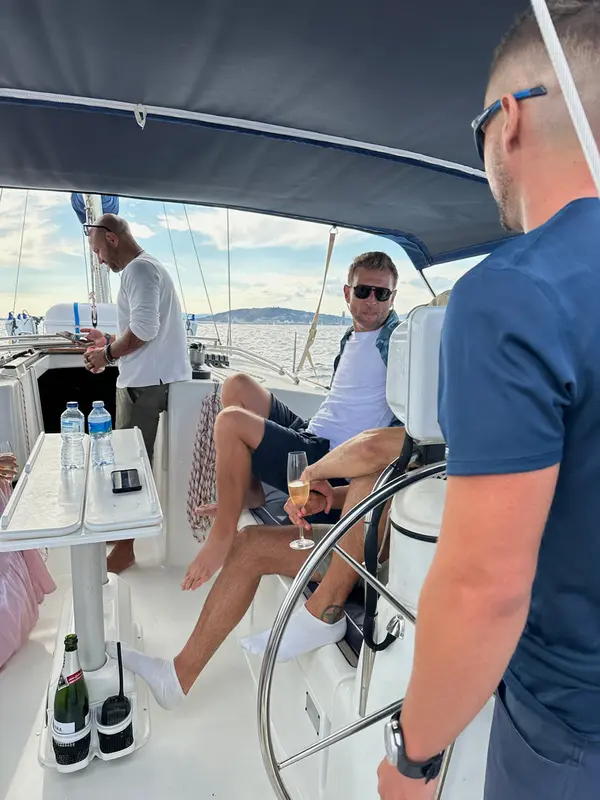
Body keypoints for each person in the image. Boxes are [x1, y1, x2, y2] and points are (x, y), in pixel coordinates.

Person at [376, 3, 600, 799]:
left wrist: (416, 759)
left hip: (569, 738)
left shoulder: (512, 293)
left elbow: (483, 588)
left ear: (508, 122)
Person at [105, 424, 405, 710]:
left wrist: (312, 474)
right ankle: (175, 677)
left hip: (396, 565)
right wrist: (326, 500)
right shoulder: (430, 411)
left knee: (372, 467)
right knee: (249, 544)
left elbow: (371, 447)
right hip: (368, 534)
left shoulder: (444, 420)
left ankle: (326, 610)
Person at [182, 251, 401, 591]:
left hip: (330, 458)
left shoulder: (399, 342)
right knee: (236, 385)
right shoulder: (350, 337)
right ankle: (252, 493)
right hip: (312, 431)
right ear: (347, 293)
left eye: (382, 293)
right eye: (363, 291)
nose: (372, 301)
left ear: (392, 298)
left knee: (231, 422)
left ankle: (222, 537)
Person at [83, 214, 191, 574]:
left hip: (145, 387)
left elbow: (144, 330)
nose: (100, 260)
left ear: (112, 239)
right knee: (128, 462)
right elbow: (146, 334)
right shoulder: (148, 269)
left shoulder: (138, 271)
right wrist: (108, 341)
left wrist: (106, 354)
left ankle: (126, 548)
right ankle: (125, 532)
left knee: (127, 466)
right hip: (150, 381)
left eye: (98, 250)